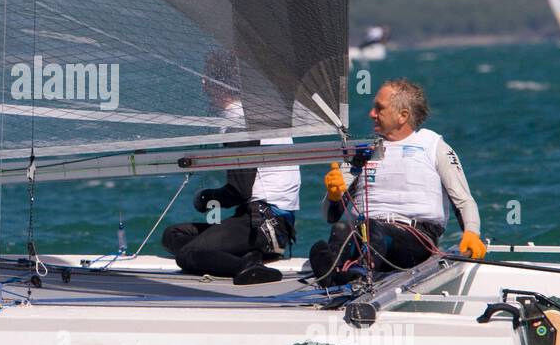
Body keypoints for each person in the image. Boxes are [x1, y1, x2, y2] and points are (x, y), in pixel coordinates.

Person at [308, 78, 486, 287]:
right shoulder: (363, 151)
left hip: (414, 241)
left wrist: (472, 233)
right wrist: (333, 195)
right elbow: (331, 215)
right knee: (341, 228)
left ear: (403, 116)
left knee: (371, 228)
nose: (371, 114)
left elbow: (464, 201)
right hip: (363, 234)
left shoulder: (434, 146)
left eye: (379, 108)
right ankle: (334, 275)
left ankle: (355, 274)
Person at [161, 50, 299, 285]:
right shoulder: (253, 112)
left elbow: (240, 191)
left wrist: (207, 197)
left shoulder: (241, 121)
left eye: (206, 77)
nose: (203, 83)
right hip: (258, 221)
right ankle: (244, 255)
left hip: (266, 225)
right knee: (173, 235)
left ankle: (247, 265)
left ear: (212, 83)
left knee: (187, 255)